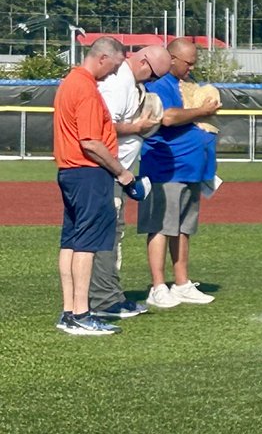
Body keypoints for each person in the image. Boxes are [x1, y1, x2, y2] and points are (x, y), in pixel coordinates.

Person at [53, 37, 140, 335]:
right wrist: (122, 172)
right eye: (115, 66)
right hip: (89, 173)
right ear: (102, 58)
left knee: (71, 241)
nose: (114, 73)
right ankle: (81, 313)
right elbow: (90, 142)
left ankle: (69, 311)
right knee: (86, 244)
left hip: (70, 172)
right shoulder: (87, 89)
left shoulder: (70, 82)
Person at [87, 45, 171, 319]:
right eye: (154, 75)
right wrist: (137, 128)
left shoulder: (129, 82)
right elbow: (100, 128)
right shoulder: (120, 82)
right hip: (106, 170)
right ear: (144, 62)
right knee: (107, 235)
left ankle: (107, 296)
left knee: (111, 233)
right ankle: (104, 300)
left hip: (113, 171)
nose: (153, 81)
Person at [138, 39, 221, 308]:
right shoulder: (160, 84)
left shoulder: (186, 83)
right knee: (161, 226)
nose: (192, 67)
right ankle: (158, 286)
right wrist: (202, 111)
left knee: (183, 228)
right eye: (188, 63)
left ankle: (182, 283)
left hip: (190, 169)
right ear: (172, 59)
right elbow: (168, 117)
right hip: (165, 168)